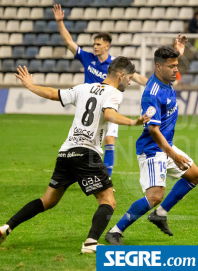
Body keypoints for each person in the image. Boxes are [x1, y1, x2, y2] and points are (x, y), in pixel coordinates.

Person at [0, 57, 150, 253]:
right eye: (130, 78)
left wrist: (31, 85)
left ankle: (6, 227)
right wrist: (134, 122)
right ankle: (91, 243)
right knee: (108, 200)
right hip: (86, 153)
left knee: (48, 200)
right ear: (121, 75)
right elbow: (108, 115)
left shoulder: (83, 88)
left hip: (66, 152)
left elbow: (53, 94)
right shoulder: (114, 93)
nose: (130, 82)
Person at [105, 44, 198, 245]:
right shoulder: (152, 93)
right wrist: (172, 154)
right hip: (152, 149)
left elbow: (169, 63)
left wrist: (177, 52)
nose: (176, 70)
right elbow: (153, 129)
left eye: (177, 65)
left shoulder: (164, 77)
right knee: (155, 195)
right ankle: (115, 231)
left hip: (165, 146)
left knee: (194, 175)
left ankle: (160, 214)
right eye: (172, 66)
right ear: (159, 67)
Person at [53, 4, 148, 177]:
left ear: (107, 46)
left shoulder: (116, 65)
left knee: (109, 140)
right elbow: (69, 42)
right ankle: (84, 172)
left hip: (107, 105)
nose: (95, 47)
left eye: (98, 44)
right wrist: (60, 22)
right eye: (94, 44)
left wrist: (155, 85)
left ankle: (106, 178)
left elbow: (137, 78)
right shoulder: (87, 58)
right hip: (88, 106)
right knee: (86, 142)